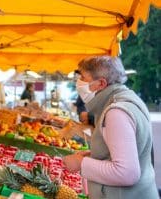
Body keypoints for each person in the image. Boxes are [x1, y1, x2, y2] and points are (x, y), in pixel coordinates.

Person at [63, 56, 158, 199]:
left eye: (83, 77)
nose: (79, 82)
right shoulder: (125, 100)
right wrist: (94, 155)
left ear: (101, 83)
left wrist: (81, 163)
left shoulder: (116, 112)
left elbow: (127, 173)